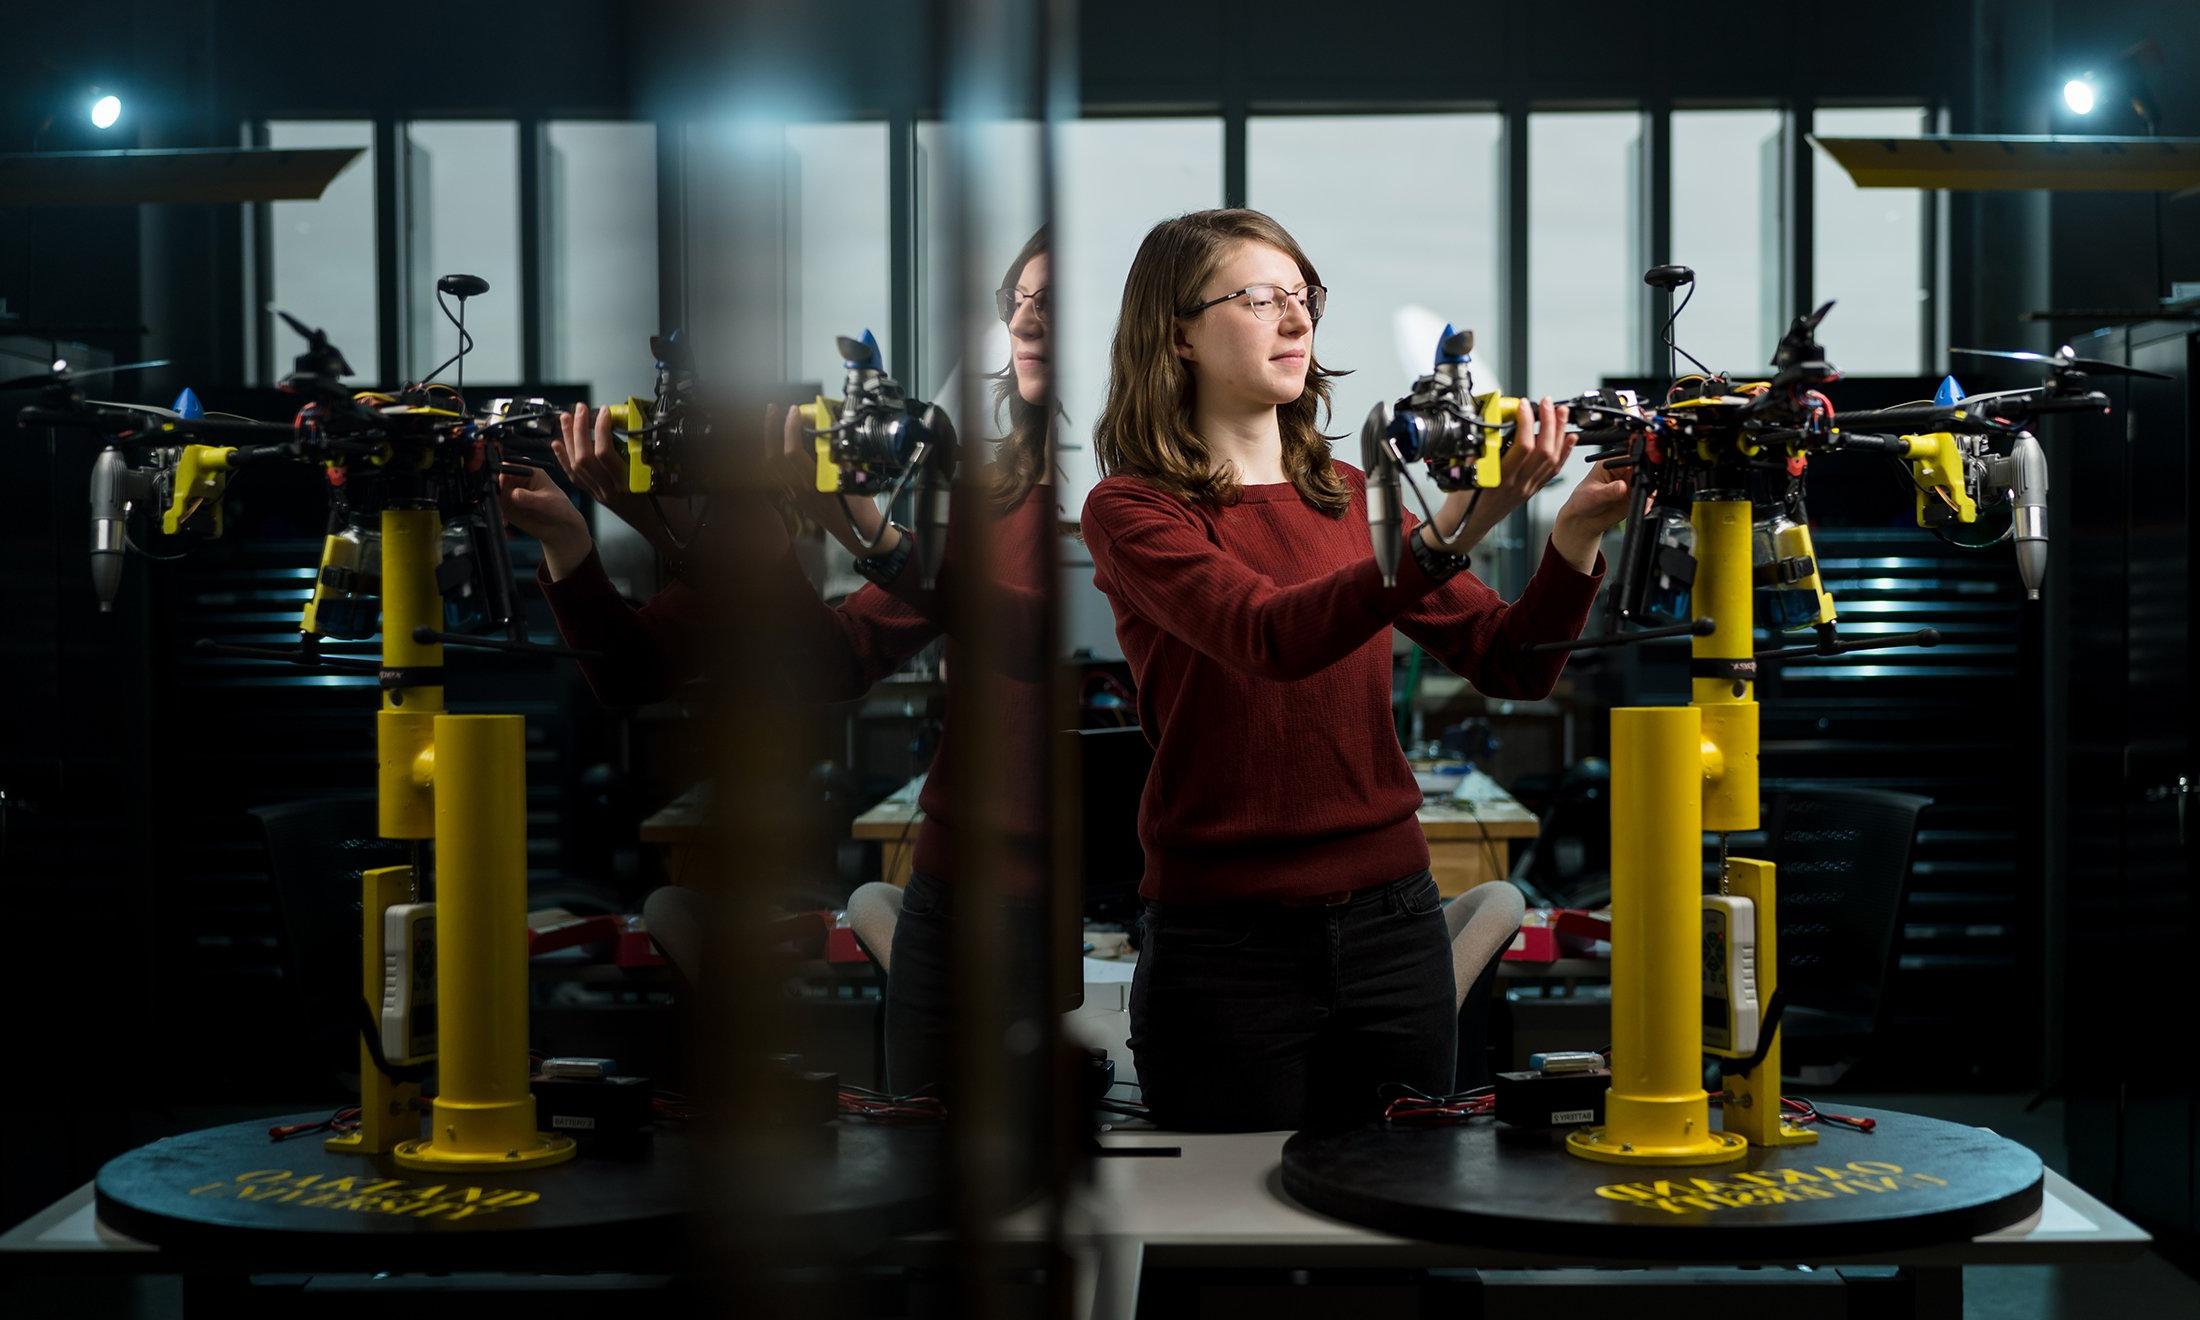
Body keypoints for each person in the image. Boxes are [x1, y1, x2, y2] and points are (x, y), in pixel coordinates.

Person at [1080, 208, 1631, 1131]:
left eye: (1303, 297)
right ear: (1174, 331)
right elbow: (1269, 636)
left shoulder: (1349, 497)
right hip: (1226, 946)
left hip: (1393, 927)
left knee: (1402, 1212)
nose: (1296, 322)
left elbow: (1509, 662)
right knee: (1236, 1233)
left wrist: (1572, 537)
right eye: (1259, 299)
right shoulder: (1133, 509)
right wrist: (1455, 528)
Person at [497, 228, 1059, 1099]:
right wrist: (589, 540)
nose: (1024, 321)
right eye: (1015, 301)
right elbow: (826, 661)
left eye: (1052, 302)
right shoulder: (997, 495)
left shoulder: (1111, 496)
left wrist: (864, 534)